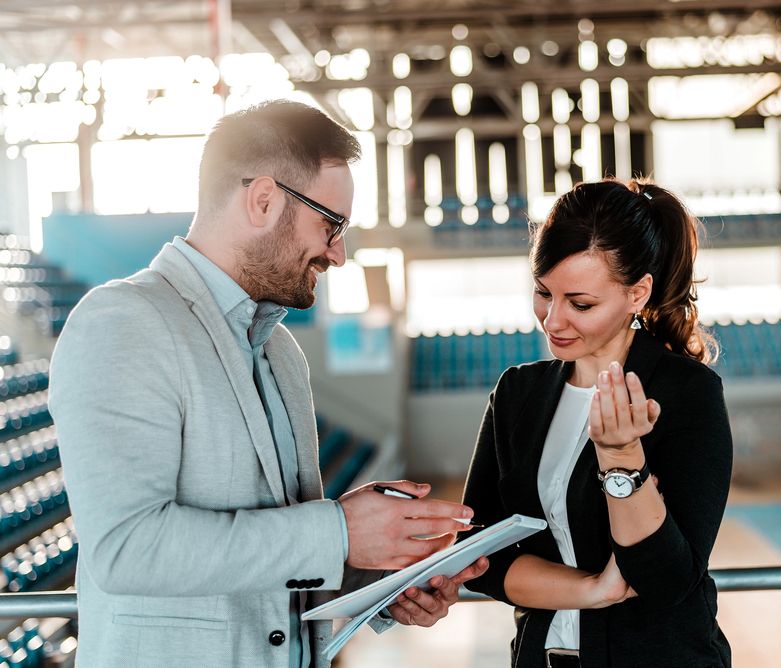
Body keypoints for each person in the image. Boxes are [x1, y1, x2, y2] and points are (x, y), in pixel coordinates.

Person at [48, 99, 487, 667]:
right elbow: (128, 549)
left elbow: (273, 569)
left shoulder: (280, 351)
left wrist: (378, 579)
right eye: (330, 225)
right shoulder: (123, 322)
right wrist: (338, 533)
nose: (338, 253)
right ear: (263, 199)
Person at [461, 178, 733, 667]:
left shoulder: (685, 393)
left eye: (581, 304)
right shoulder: (517, 394)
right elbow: (478, 556)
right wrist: (591, 590)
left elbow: (667, 580)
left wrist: (622, 461)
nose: (553, 320)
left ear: (637, 294)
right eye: (544, 293)